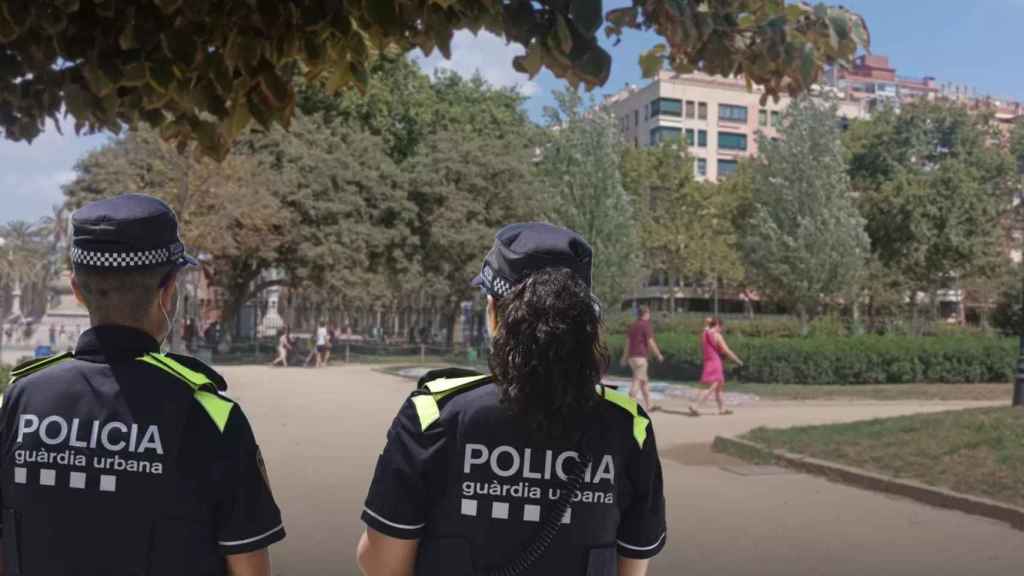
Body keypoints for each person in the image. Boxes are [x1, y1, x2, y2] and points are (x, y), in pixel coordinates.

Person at [357, 222, 666, 576]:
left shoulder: (433, 413)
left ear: (493, 311)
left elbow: (380, 563)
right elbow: (632, 567)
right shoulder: (628, 425)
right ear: (585, 319)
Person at [0, 194, 285, 575]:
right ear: (168, 291)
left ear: (78, 290)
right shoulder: (211, 416)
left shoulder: (22, 399)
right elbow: (250, 569)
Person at [689, 317, 744, 416]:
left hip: (708, 361)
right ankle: (695, 406)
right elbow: (727, 350)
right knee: (712, 386)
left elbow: (706, 324)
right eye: (721, 327)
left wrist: (708, 322)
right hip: (715, 362)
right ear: (718, 325)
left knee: (718, 386)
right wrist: (738, 360)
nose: (722, 329)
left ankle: (722, 409)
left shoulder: (704, 333)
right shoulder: (717, 335)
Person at [620, 306, 664, 412]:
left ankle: (649, 406)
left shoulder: (633, 326)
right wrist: (658, 354)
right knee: (637, 381)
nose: (650, 315)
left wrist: (624, 357)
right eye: (649, 313)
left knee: (644, 382)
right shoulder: (645, 325)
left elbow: (628, 343)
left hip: (632, 358)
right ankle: (629, 407)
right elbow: (650, 342)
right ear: (646, 313)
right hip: (640, 358)